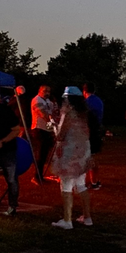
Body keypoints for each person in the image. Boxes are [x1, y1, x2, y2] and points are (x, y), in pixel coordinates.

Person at [49, 86, 93, 229]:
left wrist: (54, 127)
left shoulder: (69, 113)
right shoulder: (84, 114)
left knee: (66, 185)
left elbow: (61, 136)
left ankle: (67, 220)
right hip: (83, 152)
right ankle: (87, 217)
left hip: (69, 153)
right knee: (81, 184)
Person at [30, 85, 56, 180]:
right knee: (41, 153)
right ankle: (37, 176)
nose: (47, 93)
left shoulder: (48, 101)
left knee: (44, 153)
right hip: (39, 129)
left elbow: (51, 114)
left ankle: (40, 175)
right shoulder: (37, 100)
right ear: (39, 91)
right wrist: (53, 125)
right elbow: (43, 114)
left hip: (46, 129)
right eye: (45, 91)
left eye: (48, 91)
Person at [83, 83, 104, 190]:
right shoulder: (99, 101)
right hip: (97, 131)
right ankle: (94, 180)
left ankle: (89, 181)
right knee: (93, 156)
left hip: (88, 132)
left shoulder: (86, 103)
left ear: (84, 91)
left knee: (86, 157)